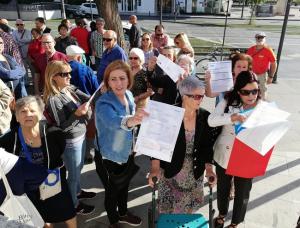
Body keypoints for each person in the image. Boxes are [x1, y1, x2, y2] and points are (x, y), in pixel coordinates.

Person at [0, 96, 77, 227]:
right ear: (17, 117)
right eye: (23, 112)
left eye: (32, 111)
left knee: (66, 210)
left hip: (52, 180)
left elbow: (60, 150)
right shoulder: (8, 139)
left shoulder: (54, 133)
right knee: (38, 214)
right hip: (27, 186)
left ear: (41, 114)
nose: (28, 114)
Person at [148, 76, 217, 213]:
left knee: (189, 211)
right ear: (185, 96)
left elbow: (207, 147)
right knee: (169, 212)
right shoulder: (169, 114)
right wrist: (155, 168)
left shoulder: (205, 116)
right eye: (197, 96)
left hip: (194, 171)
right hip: (171, 170)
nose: (201, 100)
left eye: (202, 96)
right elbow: (156, 144)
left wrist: (209, 169)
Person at [94, 60, 148, 228]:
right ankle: (113, 221)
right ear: (107, 82)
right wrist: (132, 120)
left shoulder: (129, 95)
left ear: (129, 79)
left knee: (124, 185)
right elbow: (112, 121)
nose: (118, 83)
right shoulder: (103, 103)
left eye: (122, 78)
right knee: (112, 191)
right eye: (113, 79)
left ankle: (123, 213)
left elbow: (133, 116)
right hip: (109, 155)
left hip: (127, 151)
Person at [208, 71, 262, 228]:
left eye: (255, 91)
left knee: (243, 192)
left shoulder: (262, 106)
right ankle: (222, 213)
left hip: (248, 156)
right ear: (238, 91)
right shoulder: (227, 100)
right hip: (225, 154)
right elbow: (211, 121)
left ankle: (236, 222)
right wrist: (232, 118)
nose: (251, 95)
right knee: (223, 189)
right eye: (246, 92)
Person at [43, 60, 95, 215]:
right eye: (64, 74)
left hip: (81, 134)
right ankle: (73, 205)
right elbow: (62, 126)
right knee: (73, 175)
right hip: (71, 141)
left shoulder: (69, 88)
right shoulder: (53, 99)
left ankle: (77, 192)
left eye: (69, 73)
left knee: (78, 169)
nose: (69, 77)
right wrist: (78, 114)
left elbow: (88, 98)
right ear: (53, 77)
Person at [66, 45, 100, 164]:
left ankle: (76, 155)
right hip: (87, 104)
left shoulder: (62, 69)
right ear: (79, 58)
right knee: (90, 129)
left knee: (74, 131)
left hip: (69, 106)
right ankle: (89, 154)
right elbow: (96, 89)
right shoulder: (86, 70)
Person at [247, 32, 277, 100]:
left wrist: (271, 77)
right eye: (258, 37)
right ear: (255, 38)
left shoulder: (268, 50)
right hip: (251, 74)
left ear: (264, 38)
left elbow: (274, 64)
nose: (260, 39)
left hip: (262, 75)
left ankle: (262, 106)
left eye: (262, 37)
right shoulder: (250, 50)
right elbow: (246, 62)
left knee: (262, 92)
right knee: (250, 90)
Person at [12, 19, 32, 86]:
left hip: (29, 54)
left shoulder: (28, 31)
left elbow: (29, 39)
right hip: (20, 54)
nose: (20, 26)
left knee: (32, 69)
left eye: (21, 24)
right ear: (16, 25)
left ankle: (35, 82)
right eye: (18, 24)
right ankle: (26, 83)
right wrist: (24, 42)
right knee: (24, 69)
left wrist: (19, 41)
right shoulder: (14, 32)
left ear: (24, 25)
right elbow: (14, 42)